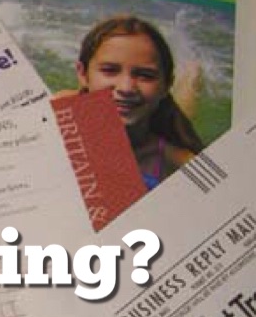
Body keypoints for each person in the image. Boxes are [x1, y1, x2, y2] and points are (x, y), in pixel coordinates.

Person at [56, 15, 205, 189]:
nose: (126, 88)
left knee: (181, 116)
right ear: (82, 74)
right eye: (110, 70)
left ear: (167, 85)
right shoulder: (56, 112)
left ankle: (191, 77)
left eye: (145, 75)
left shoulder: (178, 160)